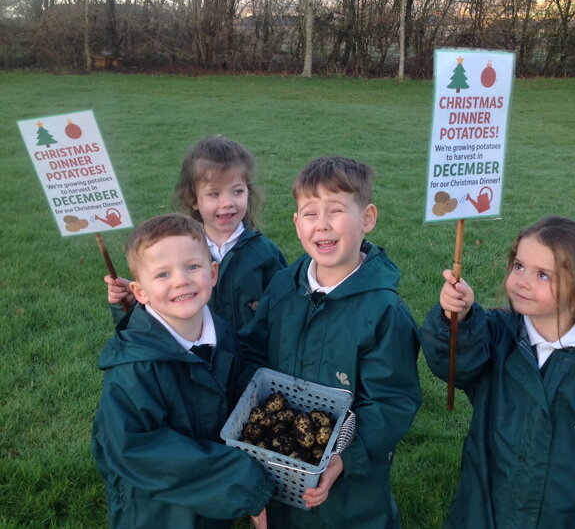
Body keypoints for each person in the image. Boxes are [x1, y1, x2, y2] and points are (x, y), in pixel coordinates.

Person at [420, 215, 575, 528]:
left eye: (543, 275)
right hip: (484, 511)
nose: (522, 281)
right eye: (519, 266)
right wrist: (459, 319)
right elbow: (454, 365)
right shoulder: (494, 335)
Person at [240, 156, 422, 528]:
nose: (322, 224)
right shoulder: (283, 287)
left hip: (351, 486)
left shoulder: (384, 310)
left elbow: (392, 399)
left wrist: (345, 458)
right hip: (281, 462)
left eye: (336, 210)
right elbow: (252, 353)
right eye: (310, 213)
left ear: (367, 218)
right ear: (296, 223)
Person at [92, 213, 274, 528]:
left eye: (192, 266)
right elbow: (133, 447)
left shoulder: (222, 334)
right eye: (163, 274)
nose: (181, 280)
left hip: (213, 495)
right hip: (158, 509)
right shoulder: (136, 367)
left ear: (213, 273)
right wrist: (244, 482)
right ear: (140, 292)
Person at [105, 134, 287, 330]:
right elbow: (151, 331)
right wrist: (130, 304)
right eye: (214, 194)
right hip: (194, 349)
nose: (227, 203)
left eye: (238, 191)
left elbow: (285, 314)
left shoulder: (265, 255)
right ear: (193, 199)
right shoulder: (177, 250)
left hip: (252, 350)